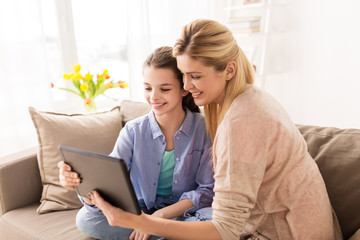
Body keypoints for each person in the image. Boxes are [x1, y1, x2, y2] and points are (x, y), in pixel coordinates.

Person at [89, 19, 343, 240]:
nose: (187, 86)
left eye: (195, 76)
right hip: (287, 227)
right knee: (88, 218)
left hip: (283, 233)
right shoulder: (250, 99)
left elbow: (225, 231)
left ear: (229, 70)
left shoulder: (240, 122)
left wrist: (140, 222)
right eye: (184, 75)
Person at [57, 46, 215, 240]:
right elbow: (109, 182)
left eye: (164, 89)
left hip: (182, 213)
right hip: (140, 211)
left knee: (214, 221)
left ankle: (162, 232)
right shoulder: (133, 131)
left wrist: (158, 218)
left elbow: (206, 190)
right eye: (148, 88)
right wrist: (76, 182)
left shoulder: (205, 129)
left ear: (184, 89)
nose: (153, 97)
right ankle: (169, 234)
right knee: (86, 219)